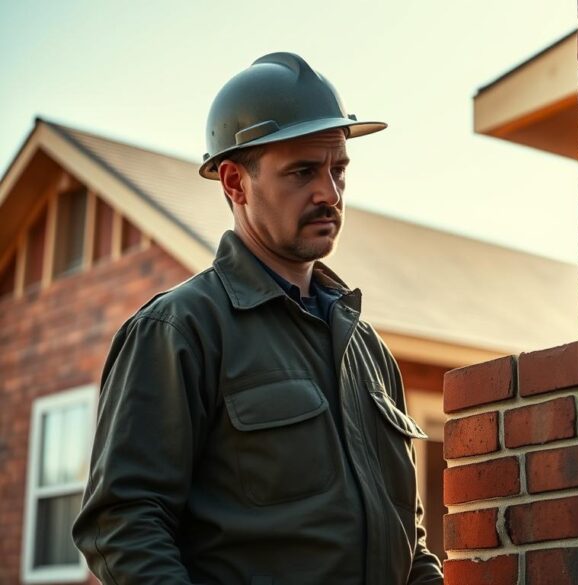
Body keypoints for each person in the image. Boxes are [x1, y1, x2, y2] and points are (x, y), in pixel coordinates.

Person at [72, 52, 444, 585]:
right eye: (302, 172)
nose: (329, 193)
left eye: (338, 169)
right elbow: (123, 527)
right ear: (234, 182)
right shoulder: (180, 330)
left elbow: (409, 537)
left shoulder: (370, 351)